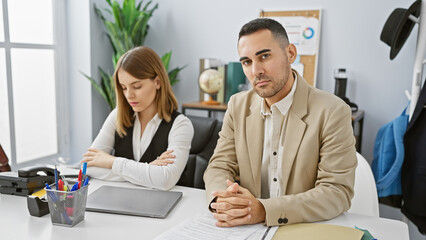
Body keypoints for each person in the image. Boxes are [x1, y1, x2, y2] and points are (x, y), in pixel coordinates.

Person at [204, 18, 357, 227]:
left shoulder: (333, 111)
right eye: (247, 62)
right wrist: (223, 200)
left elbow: (337, 192)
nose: (256, 70)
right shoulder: (237, 105)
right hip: (248, 228)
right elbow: (219, 166)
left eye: (264, 56)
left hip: (303, 228)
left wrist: (264, 210)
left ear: (291, 54)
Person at [81, 46, 194, 191]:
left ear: (157, 82)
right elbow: (88, 167)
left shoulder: (181, 125)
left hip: (163, 205)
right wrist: (147, 170)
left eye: (137, 86)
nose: (129, 95)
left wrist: (111, 162)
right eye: (124, 87)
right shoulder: (117, 116)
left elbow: (165, 180)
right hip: (123, 201)